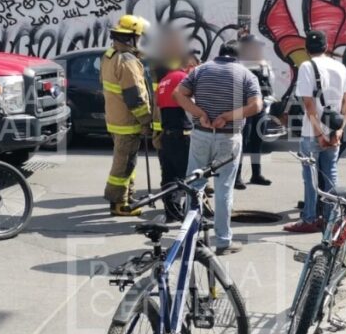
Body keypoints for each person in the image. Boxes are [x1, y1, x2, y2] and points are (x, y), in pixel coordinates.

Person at [173, 41, 262, 256]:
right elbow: (256, 106)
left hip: (201, 135)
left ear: (219, 54)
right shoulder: (246, 74)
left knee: (194, 186)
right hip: (229, 137)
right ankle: (223, 241)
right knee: (224, 190)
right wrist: (227, 116)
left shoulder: (201, 70)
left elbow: (178, 94)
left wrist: (199, 113)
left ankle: (189, 238)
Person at [284, 30, 346, 234]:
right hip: (334, 132)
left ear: (306, 49)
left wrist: (318, 134)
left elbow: (309, 104)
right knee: (331, 175)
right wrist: (339, 130)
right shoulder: (340, 67)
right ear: (326, 47)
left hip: (311, 133)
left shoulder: (307, 67)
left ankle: (309, 219)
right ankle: (331, 220)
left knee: (310, 178)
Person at [100, 14, 153, 216]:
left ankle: (127, 196)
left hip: (115, 120)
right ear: (130, 38)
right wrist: (147, 120)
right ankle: (118, 203)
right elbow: (135, 98)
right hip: (128, 122)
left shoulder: (109, 55)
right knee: (123, 165)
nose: (140, 41)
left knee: (128, 161)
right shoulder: (128, 61)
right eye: (138, 37)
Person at [156, 49, 198, 222]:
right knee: (188, 177)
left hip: (167, 134)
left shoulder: (163, 80)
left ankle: (171, 213)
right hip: (182, 134)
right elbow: (194, 103)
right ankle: (192, 214)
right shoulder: (182, 78)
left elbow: (159, 107)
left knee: (169, 176)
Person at [235, 33, 274, 189]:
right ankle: (236, 176)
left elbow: (269, 85)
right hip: (244, 107)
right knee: (242, 142)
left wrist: (267, 103)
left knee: (257, 142)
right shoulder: (238, 64)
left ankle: (256, 174)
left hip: (260, 106)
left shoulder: (263, 64)